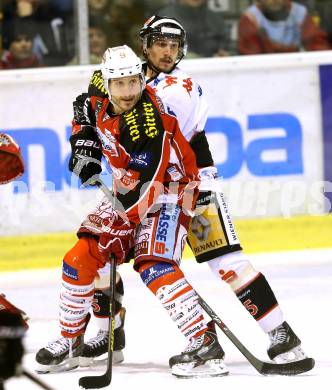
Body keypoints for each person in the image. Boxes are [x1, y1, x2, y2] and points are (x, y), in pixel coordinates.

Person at [78, 16, 314, 376]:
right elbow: (94, 102)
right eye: (160, 43)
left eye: (174, 45)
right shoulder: (131, 76)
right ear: (146, 45)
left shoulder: (179, 86)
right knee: (102, 251)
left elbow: (153, 137)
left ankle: (281, 334)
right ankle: (107, 332)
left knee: (225, 261)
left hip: (191, 187)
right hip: (148, 189)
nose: (168, 51)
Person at [35, 45, 228, 378]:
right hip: (127, 189)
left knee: (153, 263)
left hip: (172, 191)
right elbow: (84, 115)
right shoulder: (97, 93)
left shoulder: (146, 124)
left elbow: (146, 187)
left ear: (142, 81)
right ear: (107, 83)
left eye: (133, 83)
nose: (127, 92)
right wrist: (83, 147)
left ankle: (203, 339)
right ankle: (71, 341)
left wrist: (119, 228)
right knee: (79, 259)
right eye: (119, 84)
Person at [238, 0, 331, 54]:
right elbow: (251, 57)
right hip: (265, 72)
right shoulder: (251, 18)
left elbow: (318, 46)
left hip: (296, 66)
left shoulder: (299, 13)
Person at [157, 0, 230, 57]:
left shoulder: (215, 18)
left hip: (213, 71)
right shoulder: (165, 18)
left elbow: (226, 45)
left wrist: (223, 54)